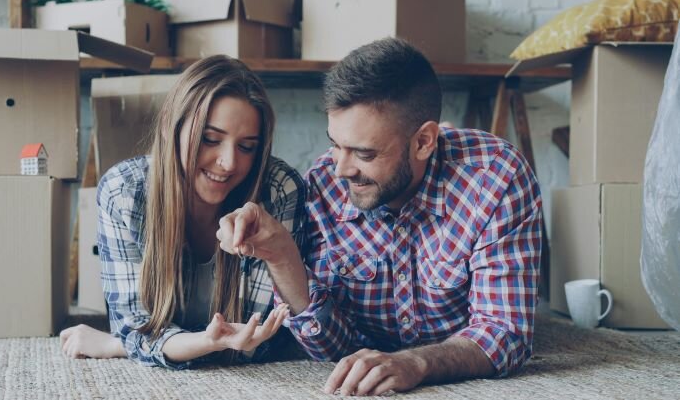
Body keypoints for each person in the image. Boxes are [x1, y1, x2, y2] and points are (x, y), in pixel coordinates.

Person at [217, 37, 542, 395]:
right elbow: (330, 348)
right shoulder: (325, 185)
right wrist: (282, 258)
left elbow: (506, 333)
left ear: (423, 142)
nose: (340, 169)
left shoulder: (495, 176)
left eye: (364, 154)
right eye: (335, 144)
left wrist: (415, 363)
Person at [59, 55, 307, 369]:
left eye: (247, 147)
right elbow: (136, 325)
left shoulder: (279, 189)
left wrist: (118, 345)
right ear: (168, 127)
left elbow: (266, 341)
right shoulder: (123, 193)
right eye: (210, 139)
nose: (229, 162)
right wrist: (205, 341)